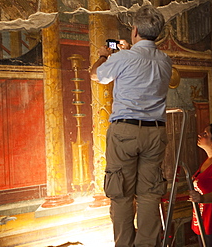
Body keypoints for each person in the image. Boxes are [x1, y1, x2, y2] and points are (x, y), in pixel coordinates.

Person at [90, 5, 172, 247]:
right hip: (156, 132)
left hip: (125, 131)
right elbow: (144, 66)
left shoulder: (123, 57)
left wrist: (105, 55)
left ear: (135, 30)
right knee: (149, 194)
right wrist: (128, 52)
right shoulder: (165, 61)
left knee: (121, 194)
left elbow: (97, 75)